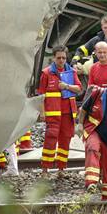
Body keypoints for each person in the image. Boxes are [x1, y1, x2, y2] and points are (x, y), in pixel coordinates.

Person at [38, 45, 82, 176]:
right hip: (53, 114)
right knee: (50, 140)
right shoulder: (46, 73)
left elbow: (79, 89)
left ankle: (62, 168)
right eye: (59, 58)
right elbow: (41, 95)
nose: (61, 60)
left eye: (63, 57)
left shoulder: (71, 72)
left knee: (65, 140)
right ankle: (45, 169)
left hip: (68, 113)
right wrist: (42, 112)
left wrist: (67, 86)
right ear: (53, 58)